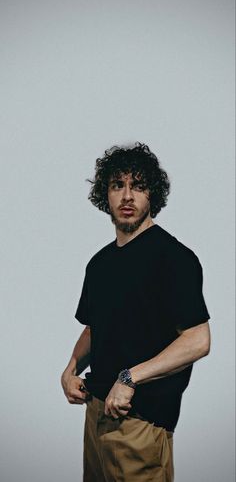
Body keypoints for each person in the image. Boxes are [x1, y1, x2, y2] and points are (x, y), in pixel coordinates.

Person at [61, 142, 211, 482]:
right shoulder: (99, 264)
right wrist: (70, 369)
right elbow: (95, 328)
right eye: (118, 186)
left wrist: (130, 377)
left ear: (152, 195)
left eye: (138, 186)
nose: (127, 196)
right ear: (106, 196)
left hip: (141, 424)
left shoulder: (174, 258)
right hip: (96, 416)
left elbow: (198, 340)